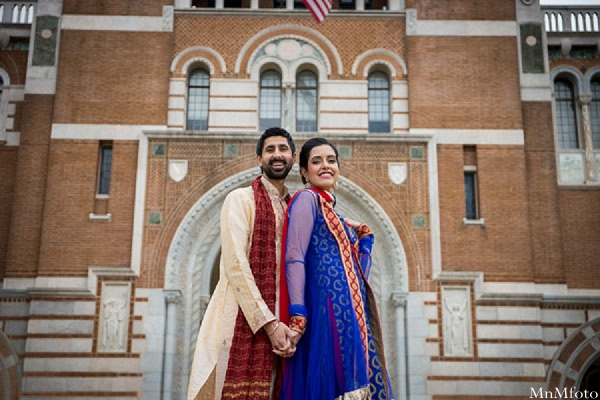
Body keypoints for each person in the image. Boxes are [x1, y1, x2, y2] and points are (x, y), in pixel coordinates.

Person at [187, 127, 298, 400]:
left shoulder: (295, 206)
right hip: (241, 322)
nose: (277, 155)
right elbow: (236, 265)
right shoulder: (240, 199)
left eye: (283, 149)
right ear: (259, 158)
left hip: (287, 335)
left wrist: (293, 329)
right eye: (270, 150)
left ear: (293, 157)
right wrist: (269, 324)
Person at [280, 137, 394, 400]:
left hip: (353, 316)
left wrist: (365, 241)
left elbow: (356, 276)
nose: (325, 166)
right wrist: (298, 316)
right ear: (305, 172)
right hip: (326, 315)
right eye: (316, 161)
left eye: (331, 160)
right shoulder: (307, 199)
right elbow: (294, 257)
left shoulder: (334, 214)